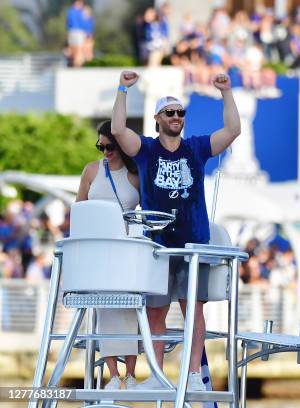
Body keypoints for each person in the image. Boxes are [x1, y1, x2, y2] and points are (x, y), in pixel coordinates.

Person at [111, 70, 240, 391]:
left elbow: (233, 130)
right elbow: (117, 130)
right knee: (156, 313)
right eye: (169, 112)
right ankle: (156, 375)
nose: (176, 117)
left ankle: (194, 375)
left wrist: (226, 92)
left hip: (193, 244)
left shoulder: (196, 147)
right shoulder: (146, 149)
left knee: (193, 311)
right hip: (157, 245)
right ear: (157, 118)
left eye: (181, 112)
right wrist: (123, 90)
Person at [75, 120, 140, 390]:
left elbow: (147, 216)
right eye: (100, 146)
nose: (105, 152)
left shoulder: (135, 175)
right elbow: (79, 208)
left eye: (110, 146)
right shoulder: (91, 170)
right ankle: (113, 375)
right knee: (105, 311)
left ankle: (132, 375)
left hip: (125, 249)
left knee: (129, 310)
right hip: (97, 250)